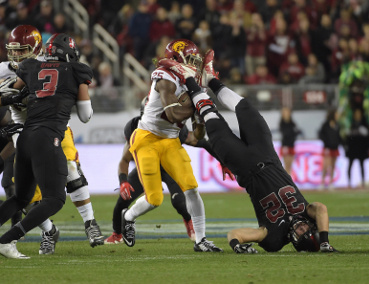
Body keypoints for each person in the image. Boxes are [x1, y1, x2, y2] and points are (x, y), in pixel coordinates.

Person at [157, 49, 337, 253]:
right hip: (267, 154)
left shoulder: (274, 240)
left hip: (244, 167)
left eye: (301, 233)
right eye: (307, 228)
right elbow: (321, 208)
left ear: (295, 240)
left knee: (211, 114)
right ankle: (209, 79)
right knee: (245, 107)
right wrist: (323, 241)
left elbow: (235, 234)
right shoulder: (309, 213)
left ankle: (188, 77)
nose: (302, 226)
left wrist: (236, 246)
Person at [0, 25, 105, 254]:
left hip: (53, 129)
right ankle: (48, 231)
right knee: (24, 194)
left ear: (37, 48)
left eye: (22, 50)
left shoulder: (43, 65)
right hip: (22, 130)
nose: (16, 55)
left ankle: (90, 223)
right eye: (13, 50)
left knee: (70, 169)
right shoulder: (7, 69)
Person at [121, 39, 223, 252]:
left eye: (197, 60)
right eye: (191, 60)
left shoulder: (190, 82)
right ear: (178, 59)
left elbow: (197, 133)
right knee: (154, 199)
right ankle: (128, 217)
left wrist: (200, 116)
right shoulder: (164, 76)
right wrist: (197, 106)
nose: (195, 65)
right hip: (147, 138)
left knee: (192, 188)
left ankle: (201, 240)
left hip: (171, 140)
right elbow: (171, 113)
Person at [105, 105, 234, 244]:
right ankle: (117, 233)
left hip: (168, 166)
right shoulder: (135, 129)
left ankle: (189, 222)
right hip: (146, 165)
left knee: (180, 202)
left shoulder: (172, 127)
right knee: (124, 200)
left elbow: (202, 142)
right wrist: (123, 181)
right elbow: (124, 159)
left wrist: (223, 161)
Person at [344, 108, 369, 188]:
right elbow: (347, 137)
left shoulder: (364, 124)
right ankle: (349, 183)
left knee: (361, 165)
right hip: (352, 148)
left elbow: (368, 135)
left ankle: (363, 182)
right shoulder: (350, 124)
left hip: (361, 147)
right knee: (350, 165)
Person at [318, 108, 342, 191]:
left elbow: (338, 136)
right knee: (326, 166)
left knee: (332, 166)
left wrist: (339, 142)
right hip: (328, 148)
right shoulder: (325, 124)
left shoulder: (337, 125)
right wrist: (326, 142)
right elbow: (321, 134)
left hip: (335, 148)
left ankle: (331, 182)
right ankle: (322, 182)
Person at [279, 107, 302, 175]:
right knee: (286, 164)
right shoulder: (282, 123)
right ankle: (287, 181)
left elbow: (295, 131)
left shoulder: (292, 123)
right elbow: (286, 133)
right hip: (286, 145)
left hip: (291, 145)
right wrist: (294, 133)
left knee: (290, 165)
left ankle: (289, 179)